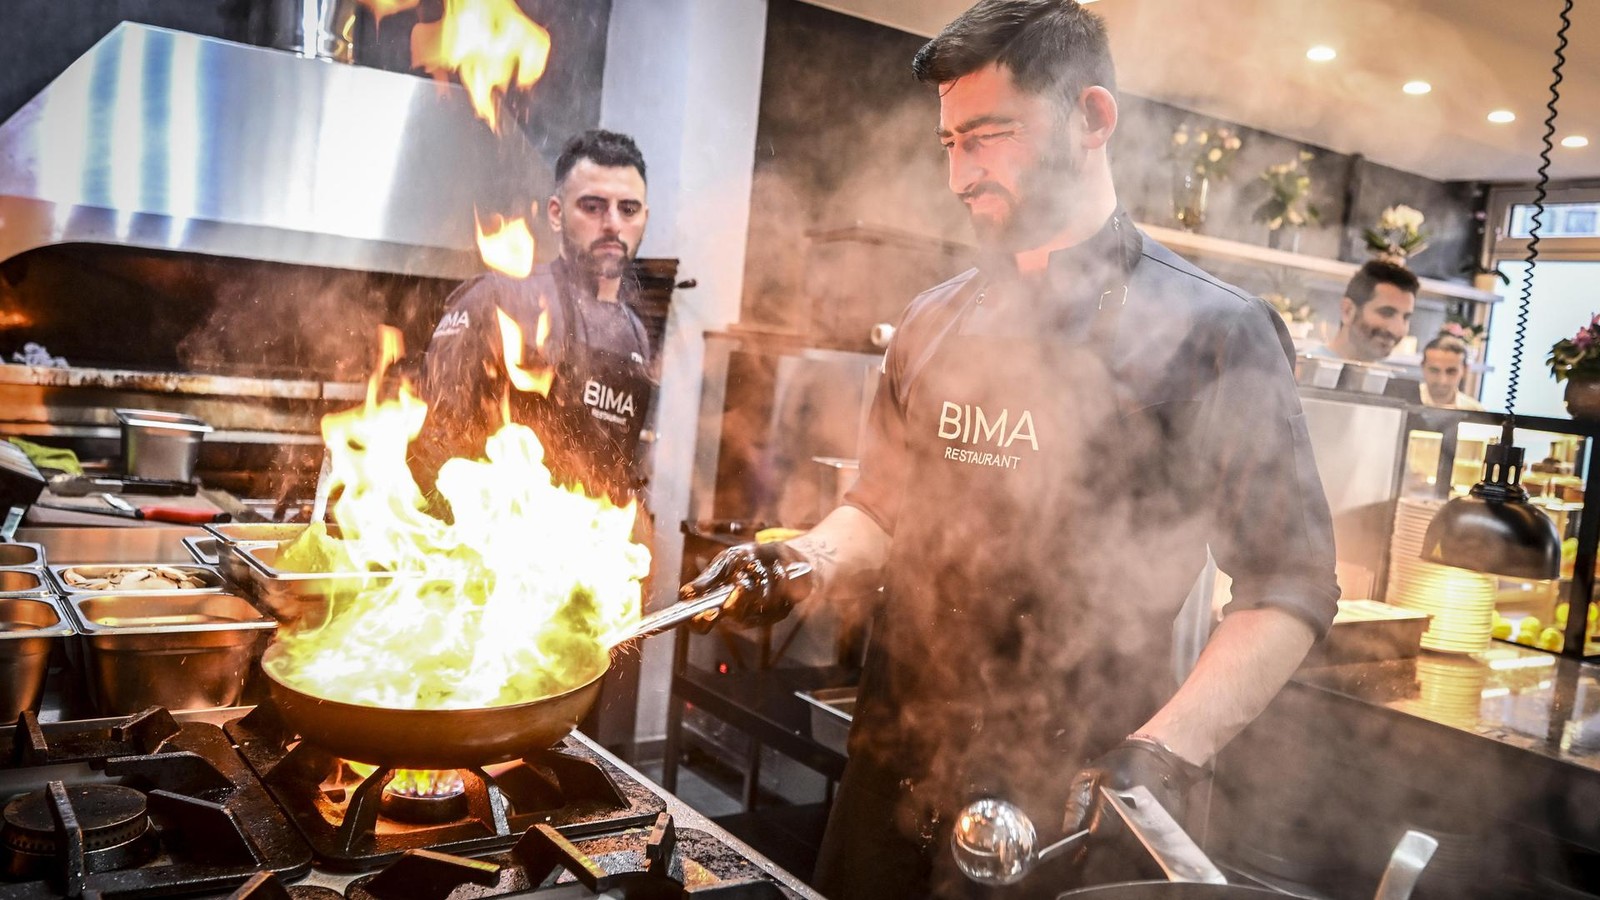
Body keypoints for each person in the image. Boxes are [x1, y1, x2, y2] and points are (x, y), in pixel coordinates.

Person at [680, 2, 1339, 897]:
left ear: (1093, 118)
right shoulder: (932, 319)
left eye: (990, 136)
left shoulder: (1215, 332)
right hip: (892, 766)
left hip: (1071, 796)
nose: (961, 172)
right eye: (950, 143)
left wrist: (1159, 756)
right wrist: (796, 561)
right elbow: (879, 505)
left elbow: (1287, 587)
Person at [416, 129, 655, 507]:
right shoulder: (501, 299)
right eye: (592, 207)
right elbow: (428, 443)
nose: (612, 223)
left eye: (628, 209)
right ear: (556, 214)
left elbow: (618, 480)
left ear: (644, 216)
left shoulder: (636, 335)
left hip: (592, 555)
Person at [1318, 259, 1419, 362]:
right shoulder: (1305, 371)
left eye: (1405, 318)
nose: (1397, 329)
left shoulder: (1381, 377)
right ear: (1348, 311)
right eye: (1386, 313)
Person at [1418, 334, 1484, 409]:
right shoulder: (1403, 404)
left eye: (1451, 372)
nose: (1442, 380)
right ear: (1422, 367)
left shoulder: (1475, 411)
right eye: (1434, 370)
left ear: (1465, 371)